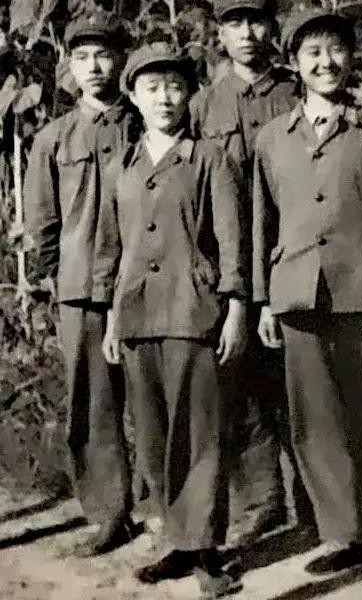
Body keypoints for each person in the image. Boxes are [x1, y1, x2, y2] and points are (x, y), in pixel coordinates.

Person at [253, 7, 362, 581]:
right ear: (294, 64)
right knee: (318, 418)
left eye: (335, 51)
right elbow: (262, 223)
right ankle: (343, 533)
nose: (326, 63)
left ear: (352, 58)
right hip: (299, 293)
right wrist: (263, 300)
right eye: (312, 53)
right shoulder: (272, 137)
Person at [95, 41, 248, 597]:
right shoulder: (122, 166)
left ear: (189, 95)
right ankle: (177, 542)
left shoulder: (210, 158)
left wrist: (235, 307)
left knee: (199, 433)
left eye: (175, 87)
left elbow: (231, 242)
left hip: (192, 311)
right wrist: (112, 320)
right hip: (138, 317)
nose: (164, 98)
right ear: (134, 97)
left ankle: (205, 550)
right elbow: (111, 249)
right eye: (152, 88)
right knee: (154, 434)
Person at [190, 0, 314, 539]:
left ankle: (315, 501)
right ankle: (263, 501)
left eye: (256, 21)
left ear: (273, 28)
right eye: (234, 23)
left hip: (294, 252)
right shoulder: (202, 104)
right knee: (242, 389)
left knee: (302, 382)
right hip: (231, 261)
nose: (246, 33)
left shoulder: (297, 92)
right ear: (220, 34)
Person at [24, 17, 137, 557]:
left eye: (104, 54)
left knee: (158, 397)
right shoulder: (54, 138)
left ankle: (167, 507)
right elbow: (42, 221)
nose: (95, 67)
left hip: (150, 281)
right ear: (69, 65)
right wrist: (55, 280)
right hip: (81, 287)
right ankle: (109, 512)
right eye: (83, 57)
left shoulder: (146, 123)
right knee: (94, 404)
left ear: (121, 60)